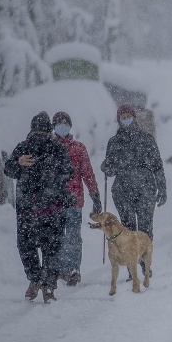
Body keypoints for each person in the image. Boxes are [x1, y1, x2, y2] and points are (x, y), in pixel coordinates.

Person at [4, 111, 74, 303]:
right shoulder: (23, 148)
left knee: (51, 248)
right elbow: (8, 169)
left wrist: (52, 173)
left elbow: (68, 171)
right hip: (28, 209)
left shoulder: (57, 149)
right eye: (37, 131)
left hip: (52, 208)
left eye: (43, 132)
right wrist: (18, 162)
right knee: (27, 247)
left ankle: (48, 286)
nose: (40, 136)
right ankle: (36, 280)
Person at [101, 103, 166, 261]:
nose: (126, 120)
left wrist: (162, 188)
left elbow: (157, 166)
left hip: (146, 189)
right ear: (118, 120)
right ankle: (132, 264)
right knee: (128, 229)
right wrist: (106, 167)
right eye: (123, 117)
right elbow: (111, 169)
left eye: (128, 116)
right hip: (123, 191)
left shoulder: (146, 139)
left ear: (134, 117)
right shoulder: (114, 142)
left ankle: (145, 261)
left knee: (145, 229)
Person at [51, 111, 102, 286]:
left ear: (70, 125)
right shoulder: (49, 147)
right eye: (59, 122)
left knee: (72, 236)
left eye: (65, 122)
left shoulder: (79, 148)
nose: (62, 125)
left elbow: (87, 173)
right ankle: (58, 268)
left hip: (74, 199)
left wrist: (95, 195)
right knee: (56, 236)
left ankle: (73, 269)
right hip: (53, 201)